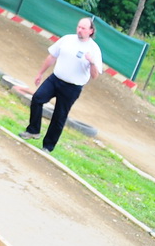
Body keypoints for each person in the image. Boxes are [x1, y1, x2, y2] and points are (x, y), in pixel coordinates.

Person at [20, 16, 104, 153]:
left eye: (83, 28)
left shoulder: (94, 49)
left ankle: (48, 146)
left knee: (59, 116)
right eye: (79, 27)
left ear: (91, 31)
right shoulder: (67, 39)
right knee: (37, 98)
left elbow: (95, 76)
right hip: (55, 79)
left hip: (72, 87)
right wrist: (40, 73)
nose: (79, 30)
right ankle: (33, 130)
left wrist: (92, 62)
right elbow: (52, 56)